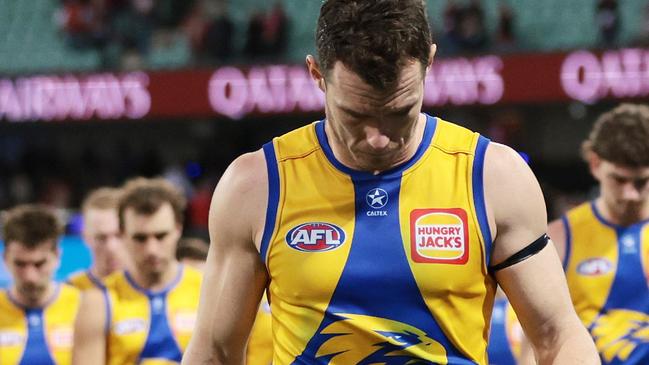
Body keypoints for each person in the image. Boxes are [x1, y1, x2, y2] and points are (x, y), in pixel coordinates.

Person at [182, 0, 599, 364]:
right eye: (355, 116)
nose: (378, 138)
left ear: (430, 62)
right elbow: (213, 353)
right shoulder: (256, 185)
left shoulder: (494, 177)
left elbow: (559, 336)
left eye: (400, 112)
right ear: (316, 74)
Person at [547, 103, 649, 364]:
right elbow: (538, 336)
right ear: (595, 164)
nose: (631, 194)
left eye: (641, 182)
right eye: (619, 180)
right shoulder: (560, 237)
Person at [72, 177, 202, 365]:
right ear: (123, 234)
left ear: (178, 229)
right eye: (140, 238)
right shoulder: (98, 301)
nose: (151, 249)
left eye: (160, 236)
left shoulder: (206, 289)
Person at [0, 204, 81, 364]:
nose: (30, 277)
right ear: (5, 259)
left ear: (57, 256)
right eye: (20, 264)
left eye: (39, 264)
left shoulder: (83, 308)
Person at [67, 187, 126, 290]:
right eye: (101, 238)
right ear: (85, 237)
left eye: (119, 235)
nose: (111, 247)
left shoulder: (153, 289)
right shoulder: (70, 292)